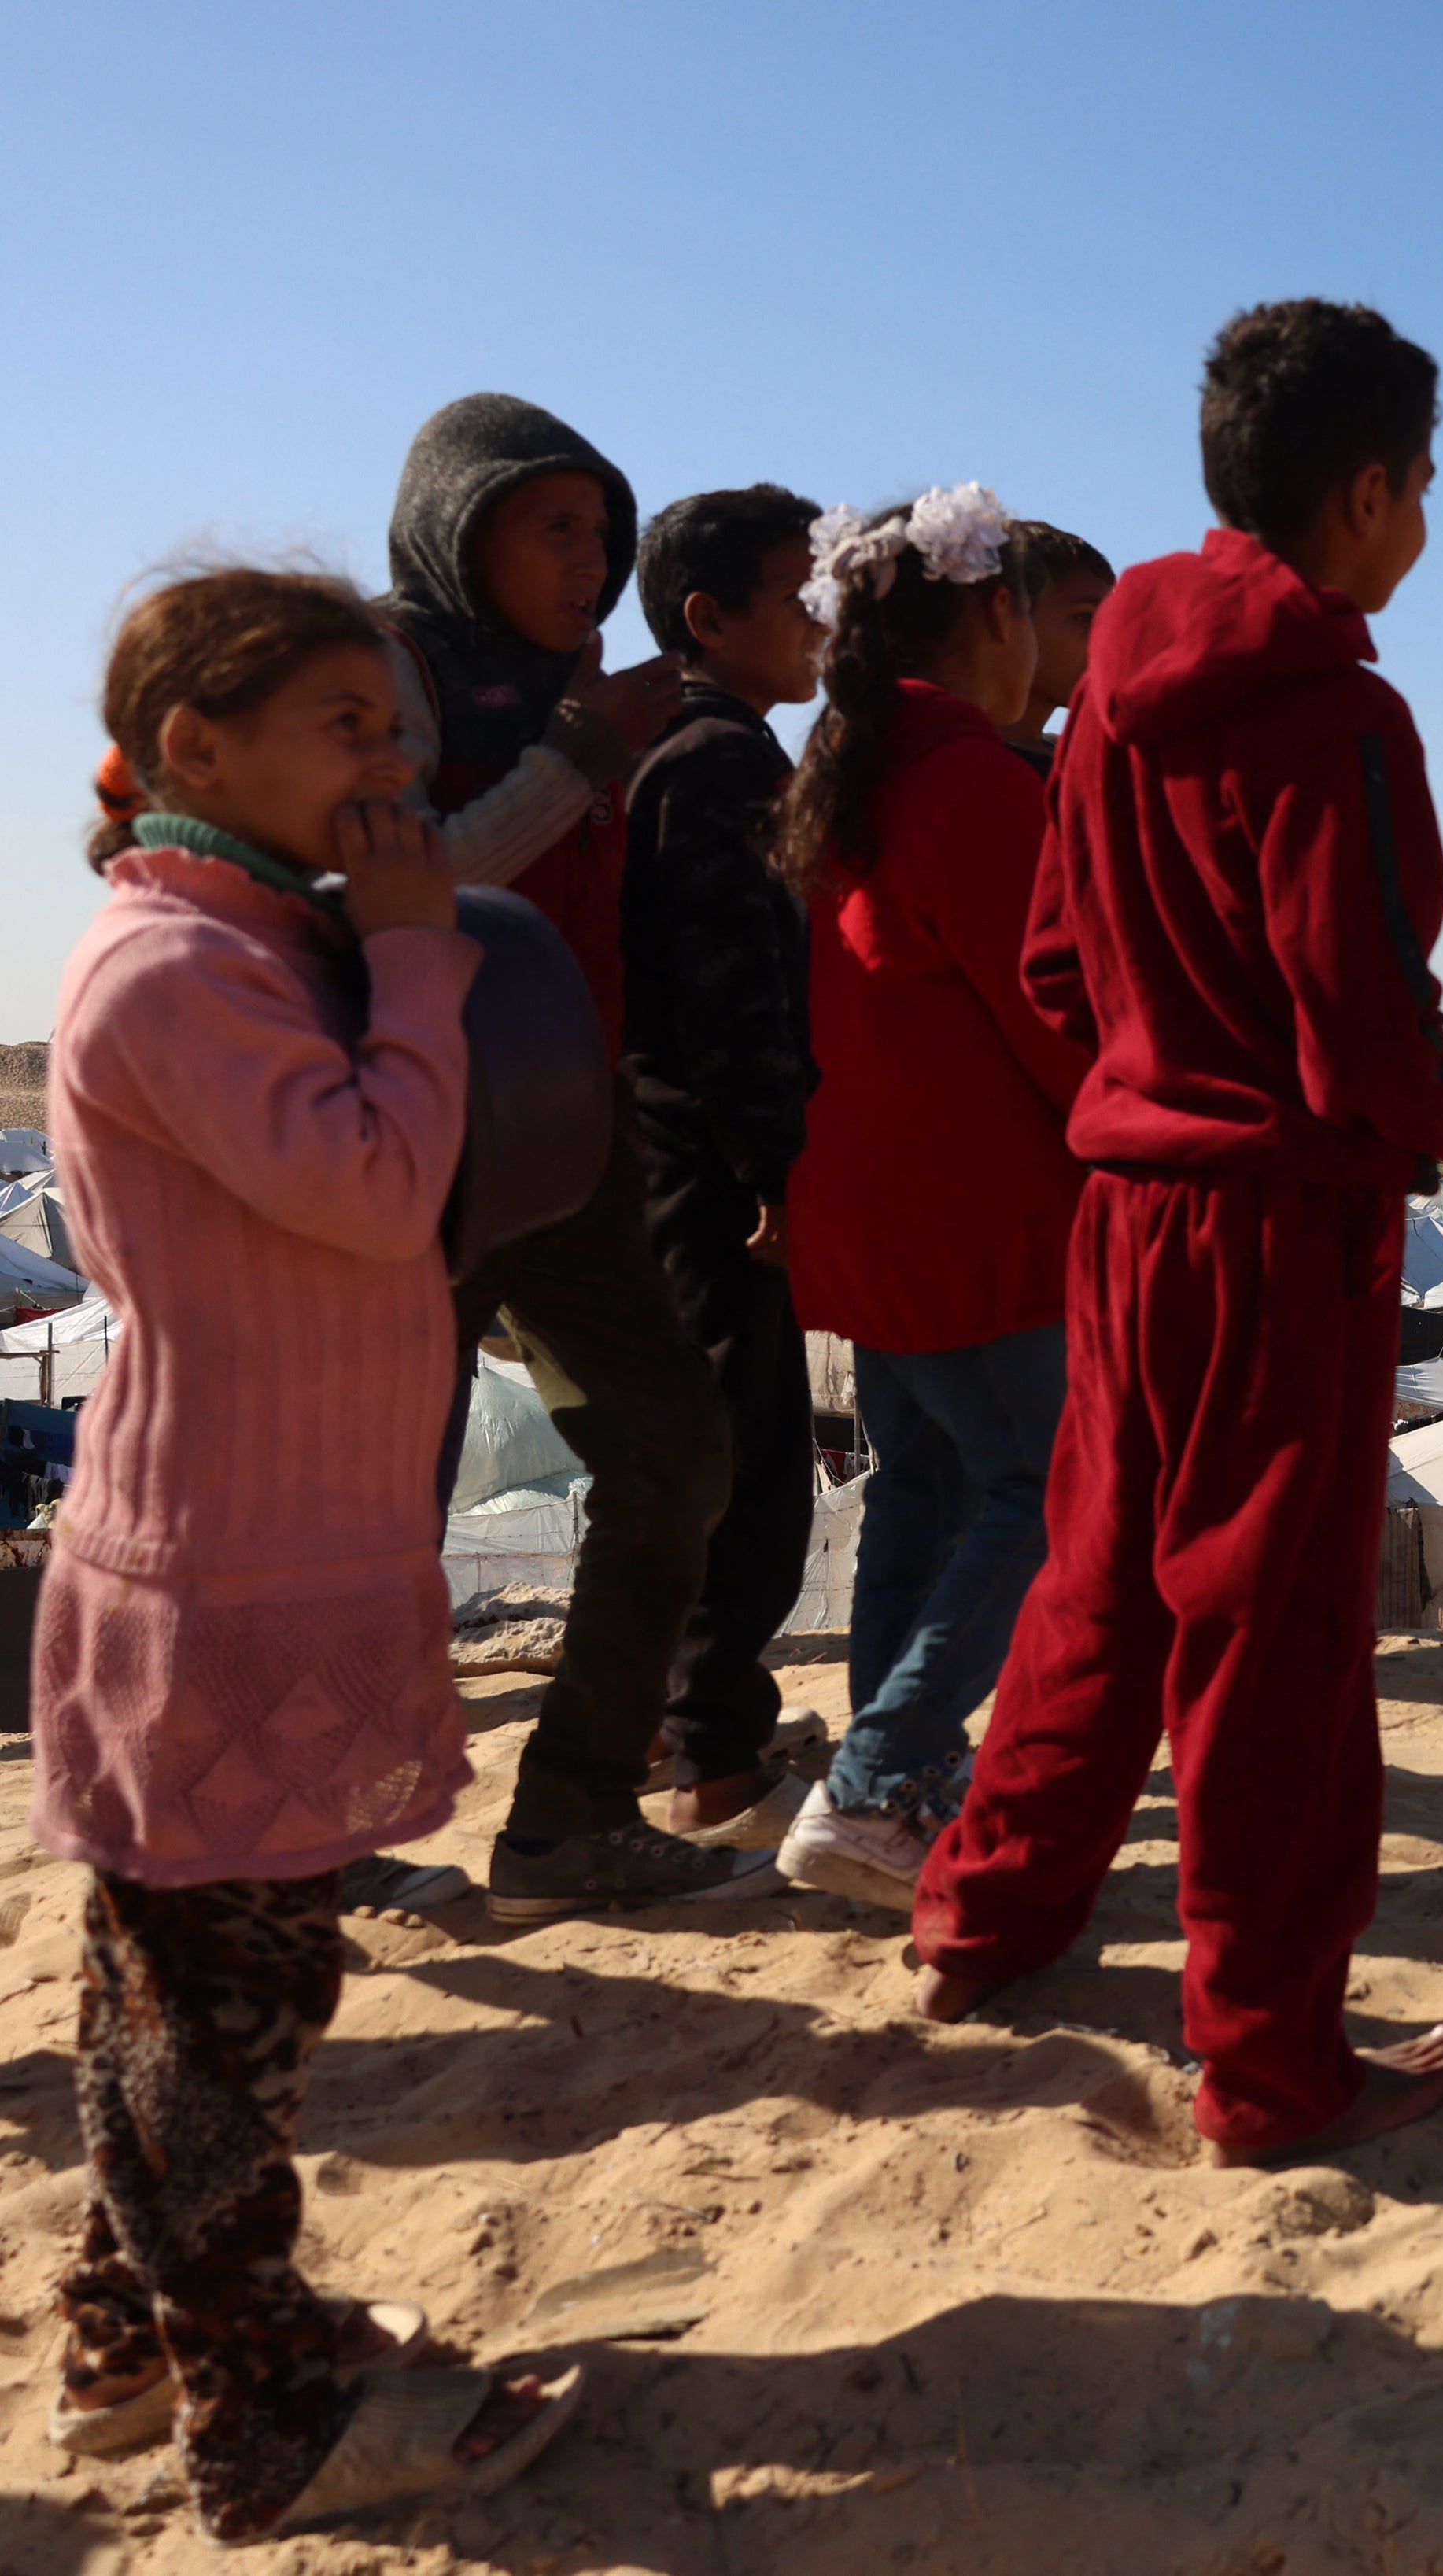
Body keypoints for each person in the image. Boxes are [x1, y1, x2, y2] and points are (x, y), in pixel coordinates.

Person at [912, 300, 1443, 2161]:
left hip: (1129, 1207)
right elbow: (1358, 1028)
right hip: (1278, 1233)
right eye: (1420, 482)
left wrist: (1163, 1063)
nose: (1425, 516)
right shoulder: (1337, 716)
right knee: (1275, 1639)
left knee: (1094, 1576)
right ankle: (1266, 2056)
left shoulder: (1098, 712)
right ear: (1366, 489)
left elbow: (1053, 962)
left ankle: (980, 1919)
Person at [35, 568, 581, 2533]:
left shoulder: (242, 939)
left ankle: (122, 2332)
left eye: (403, 731)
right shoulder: (170, 970)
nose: (398, 766)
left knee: (180, 1982)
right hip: (220, 1578)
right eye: (349, 726)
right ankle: (258, 2411)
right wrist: (424, 959)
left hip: (267, 1555)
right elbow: (373, 1184)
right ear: (199, 748)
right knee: (219, 2013)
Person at [378, 393, 773, 1919]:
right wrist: (571, 754)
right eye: (553, 525)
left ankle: (569, 1820)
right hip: (408, 1153)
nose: (587, 557)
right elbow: (401, 882)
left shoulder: (585, 694)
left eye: (602, 531)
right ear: (456, 525)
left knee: (680, 1451)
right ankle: (305, 1842)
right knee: (377, 1512)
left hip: (572, 1146)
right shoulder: (389, 673)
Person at [767, 488, 1082, 1913]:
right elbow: (1056, 1013)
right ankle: (879, 1775)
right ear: (996, 614)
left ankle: (901, 1778)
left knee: (926, 1487)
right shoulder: (970, 783)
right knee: (1049, 1487)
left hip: (872, 1207)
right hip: (971, 1212)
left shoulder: (856, 774)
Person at [622, 483, 829, 1851]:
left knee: (732, 1454)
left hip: (697, 1165)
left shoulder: (722, 756)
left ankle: (697, 1725)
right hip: (713, 1172)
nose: (822, 616)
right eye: (795, 588)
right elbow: (728, 1007)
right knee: (743, 1467)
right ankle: (709, 1764)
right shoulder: (716, 769)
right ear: (709, 616)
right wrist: (773, 1171)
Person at [999, 520, 1114, 771]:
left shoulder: (1082, 766)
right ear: (1005, 617)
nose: (1107, 639)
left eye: (1110, 621)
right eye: (1084, 617)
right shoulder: (963, 763)